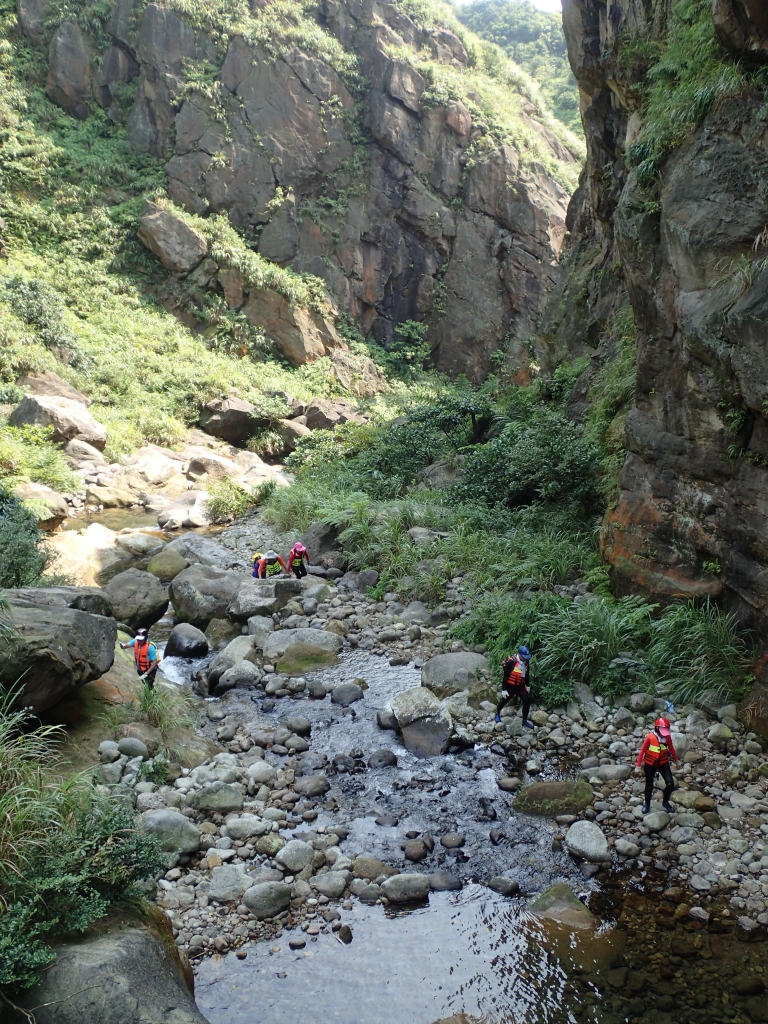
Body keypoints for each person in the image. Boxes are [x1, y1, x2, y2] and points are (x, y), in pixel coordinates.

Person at [636, 716, 679, 814]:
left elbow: (671, 748)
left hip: (663, 763)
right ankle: (647, 803)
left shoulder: (667, 738)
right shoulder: (650, 737)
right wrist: (638, 766)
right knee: (649, 785)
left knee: (670, 783)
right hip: (650, 764)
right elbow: (642, 751)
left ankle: (665, 802)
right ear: (657, 728)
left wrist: (677, 760)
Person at [495, 645, 534, 729]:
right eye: (524, 656)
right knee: (504, 701)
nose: (525, 658)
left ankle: (524, 720)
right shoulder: (511, 662)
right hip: (510, 686)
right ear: (519, 654)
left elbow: (527, 674)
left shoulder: (526, 661)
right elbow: (505, 676)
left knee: (527, 701)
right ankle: (497, 713)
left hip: (520, 686)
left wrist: (527, 685)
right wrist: (504, 690)